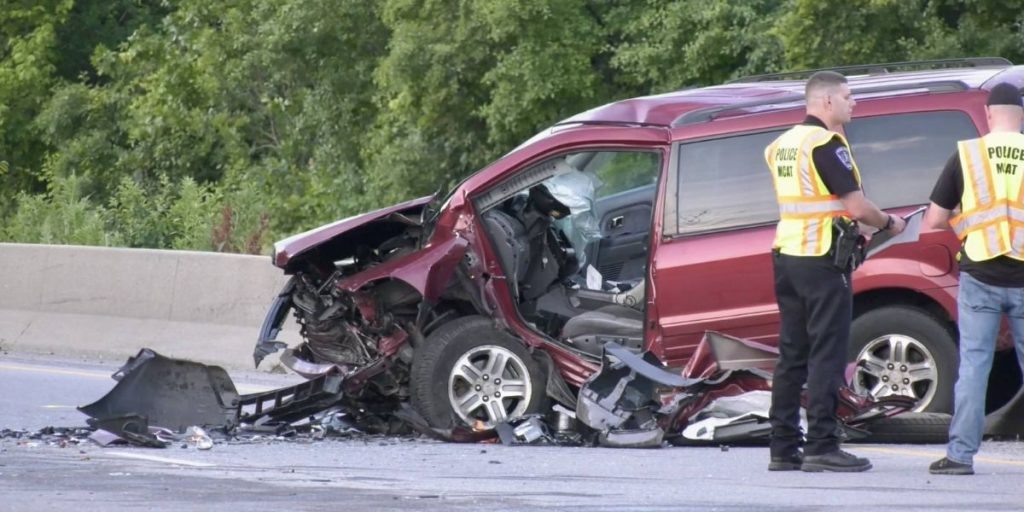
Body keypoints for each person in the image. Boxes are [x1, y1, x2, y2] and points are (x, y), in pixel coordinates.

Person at [764, 71, 906, 473]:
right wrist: (888, 223)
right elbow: (858, 207)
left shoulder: (781, 145)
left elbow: (812, 202)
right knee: (826, 354)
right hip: (821, 259)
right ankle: (822, 446)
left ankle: (783, 447)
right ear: (826, 102)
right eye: (847, 96)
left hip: (787, 254)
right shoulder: (826, 143)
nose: (853, 102)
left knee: (791, 355)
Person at [923, 82, 1024, 476]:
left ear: (987, 115)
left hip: (980, 273)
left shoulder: (967, 154)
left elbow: (933, 218)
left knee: (974, 366)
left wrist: (968, 225)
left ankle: (960, 456)